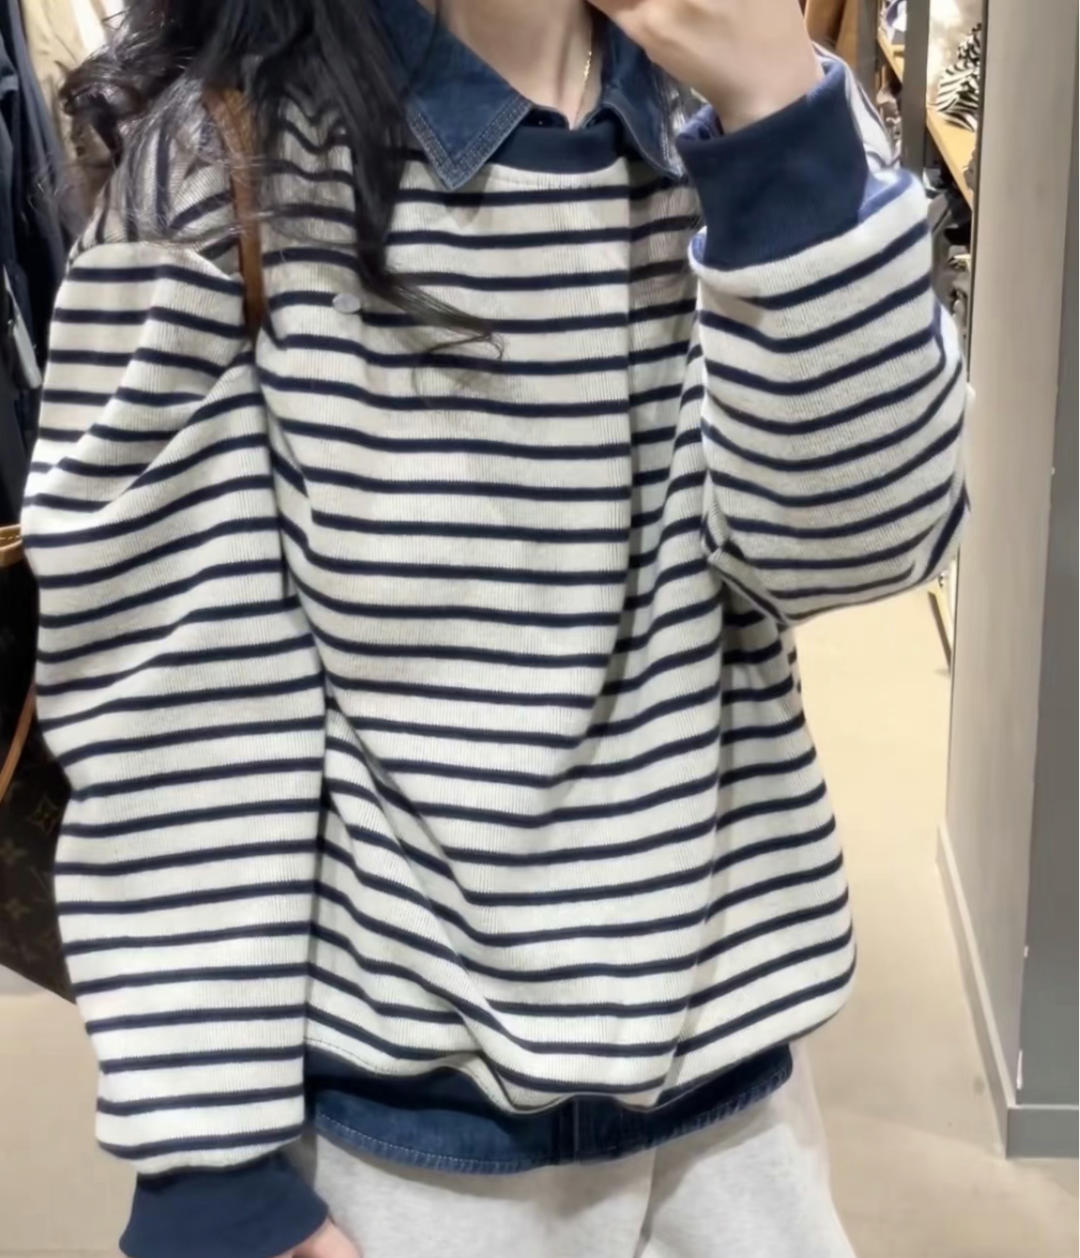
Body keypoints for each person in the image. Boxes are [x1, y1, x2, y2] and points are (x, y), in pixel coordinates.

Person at [23, 1, 968, 1255]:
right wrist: (213, 1172)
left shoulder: (757, 108)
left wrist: (775, 118)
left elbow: (862, 544)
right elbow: (179, 713)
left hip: (739, 1119)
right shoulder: (223, 167)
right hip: (395, 1143)